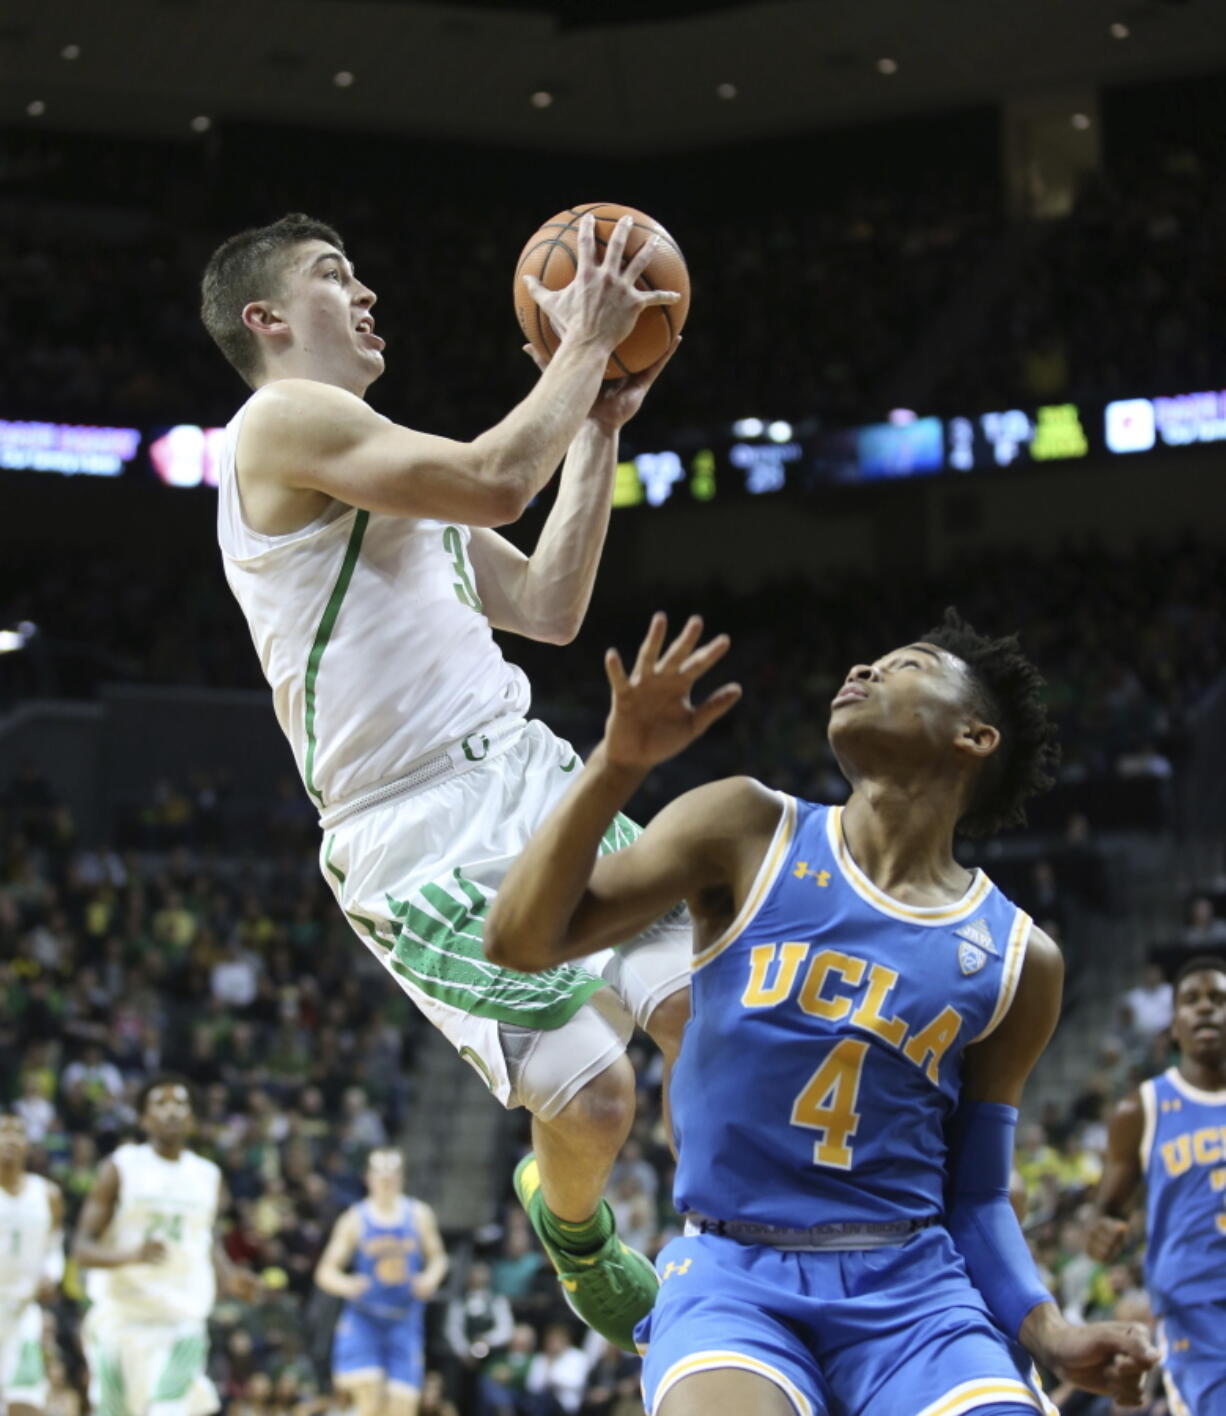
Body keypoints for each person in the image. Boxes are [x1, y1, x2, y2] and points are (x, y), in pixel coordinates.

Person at [200, 209, 689, 1349]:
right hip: (409, 832)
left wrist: (602, 423)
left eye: (362, 271)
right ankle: (570, 1229)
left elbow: (553, 608)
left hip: (527, 772)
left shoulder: (383, 466)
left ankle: (768, 1248)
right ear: (266, 320)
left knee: (691, 1003)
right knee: (596, 1098)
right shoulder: (275, 423)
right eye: (333, 275)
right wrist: (583, 343)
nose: (364, 292)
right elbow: (494, 480)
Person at [485, 611, 1158, 1416]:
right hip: (734, 1276)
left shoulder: (1020, 959)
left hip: (915, 1294)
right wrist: (617, 764)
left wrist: (1048, 1334)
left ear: (975, 737)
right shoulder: (746, 827)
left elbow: (976, 1196)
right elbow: (521, 940)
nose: (863, 670)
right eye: (868, 658)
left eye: (905, 663)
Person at [73, 1076, 262, 1416]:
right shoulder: (120, 1168)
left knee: (169, 1410)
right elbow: (82, 1249)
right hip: (122, 1317)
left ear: (192, 1119)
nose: (171, 1111)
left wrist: (230, 1276)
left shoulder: (208, 1175)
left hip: (180, 1319)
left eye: (180, 1104)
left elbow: (207, 1240)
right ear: (144, 1118)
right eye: (160, 1104)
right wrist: (131, 1255)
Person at [1088, 956, 1226, 1415]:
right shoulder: (1141, 1107)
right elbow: (1105, 1211)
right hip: (1194, 1301)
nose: (1205, 1009)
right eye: (1191, 1000)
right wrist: (1103, 1231)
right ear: (1173, 1027)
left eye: (1217, 999)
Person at [314, 1148, 448, 1416]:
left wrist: (430, 1278)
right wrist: (346, 1284)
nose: (386, 1177)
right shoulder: (354, 1219)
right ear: (368, 1177)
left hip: (405, 1319)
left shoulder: (419, 1214)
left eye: (392, 1171)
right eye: (380, 1171)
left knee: (403, 1407)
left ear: (402, 1177)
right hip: (365, 1319)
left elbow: (439, 1259)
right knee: (371, 1402)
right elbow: (325, 1272)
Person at [0, 1112, 65, 1416]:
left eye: (17, 1132)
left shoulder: (48, 1194)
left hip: (23, 1309)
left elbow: (54, 1248)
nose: (10, 1138)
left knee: (26, 1402)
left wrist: (51, 1275)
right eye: (3, 1131)